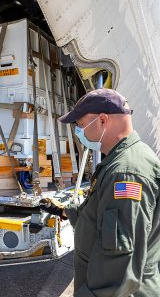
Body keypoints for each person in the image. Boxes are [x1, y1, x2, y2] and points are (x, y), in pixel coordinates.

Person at [40, 89, 160, 296]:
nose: (79, 131)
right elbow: (102, 217)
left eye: (80, 124)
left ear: (103, 120)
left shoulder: (126, 173)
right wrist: (65, 211)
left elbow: (120, 260)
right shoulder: (119, 161)